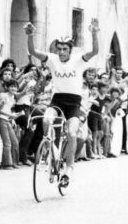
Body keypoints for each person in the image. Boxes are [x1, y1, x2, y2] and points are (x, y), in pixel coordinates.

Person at [24, 18, 99, 187]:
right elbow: (33, 51)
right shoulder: (51, 59)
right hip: (57, 100)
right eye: (59, 49)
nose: (62, 52)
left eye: (65, 49)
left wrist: (94, 33)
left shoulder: (79, 60)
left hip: (74, 104)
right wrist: (30, 35)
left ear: (70, 50)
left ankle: (68, 169)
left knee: (72, 134)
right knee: (46, 120)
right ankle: (51, 151)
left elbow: (95, 51)